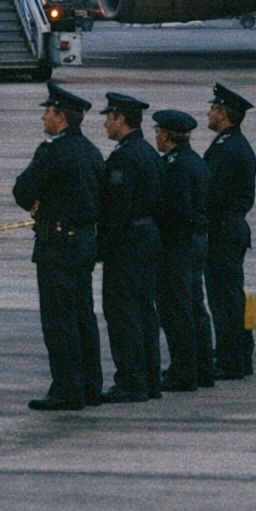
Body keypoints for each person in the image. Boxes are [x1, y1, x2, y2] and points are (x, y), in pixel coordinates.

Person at [13, 84, 106, 411]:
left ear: (61, 117)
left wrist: (40, 203)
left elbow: (23, 192)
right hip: (83, 242)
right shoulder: (92, 151)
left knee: (59, 319)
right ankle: (90, 384)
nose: (43, 116)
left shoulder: (52, 151)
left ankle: (67, 388)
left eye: (48, 111)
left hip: (57, 245)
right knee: (83, 317)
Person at [96, 92, 164, 403]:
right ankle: (150, 378)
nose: (106, 124)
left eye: (109, 118)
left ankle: (131, 380)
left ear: (121, 120)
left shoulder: (124, 157)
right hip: (148, 237)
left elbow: (116, 210)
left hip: (127, 243)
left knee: (123, 312)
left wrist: (102, 247)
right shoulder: (149, 153)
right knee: (144, 310)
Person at [152, 108, 213, 393]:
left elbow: (177, 210)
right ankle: (201, 368)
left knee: (177, 309)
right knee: (194, 306)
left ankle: (183, 371)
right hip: (195, 241)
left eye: (158, 133)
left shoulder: (175, 166)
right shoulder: (195, 161)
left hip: (178, 244)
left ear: (165, 136)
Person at [203, 83, 256, 381]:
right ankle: (237, 355)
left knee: (225, 300)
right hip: (228, 229)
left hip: (224, 230)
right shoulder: (231, 143)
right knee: (230, 297)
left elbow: (213, 194)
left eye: (213, 108)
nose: (209, 113)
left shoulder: (229, 148)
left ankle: (231, 360)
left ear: (224, 114)